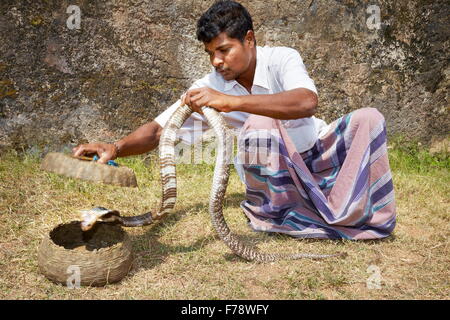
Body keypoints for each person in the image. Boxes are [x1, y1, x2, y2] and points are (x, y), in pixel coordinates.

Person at [73, 0, 396, 240]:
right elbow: (160, 131)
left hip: (317, 156)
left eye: (224, 50)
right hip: (279, 176)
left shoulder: (282, 57)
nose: (217, 61)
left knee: (368, 118)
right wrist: (115, 146)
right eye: (210, 53)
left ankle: (353, 210)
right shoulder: (207, 87)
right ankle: (280, 215)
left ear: (250, 39)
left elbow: (306, 102)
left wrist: (232, 102)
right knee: (258, 127)